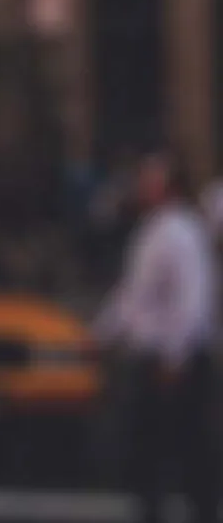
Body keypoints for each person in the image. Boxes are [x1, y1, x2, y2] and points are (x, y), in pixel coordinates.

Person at [94, 149, 217, 523]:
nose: (142, 187)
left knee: (187, 445)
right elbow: (134, 295)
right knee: (146, 447)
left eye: (150, 180)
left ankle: (202, 511)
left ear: (169, 186)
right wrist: (101, 333)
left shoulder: (181, 232)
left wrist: (175, 356)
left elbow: (192, 299)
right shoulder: (150, 230)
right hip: (149, 357)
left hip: (175, 359)